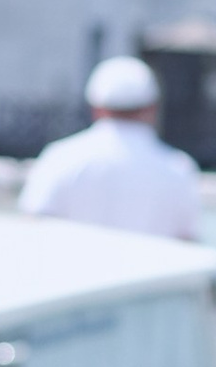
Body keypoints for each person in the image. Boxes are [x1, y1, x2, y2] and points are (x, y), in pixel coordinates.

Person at [17, 55, 202, 241]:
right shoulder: (179, 168)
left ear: (95, 107)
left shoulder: (59, 158)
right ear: (152, 108)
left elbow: (32, 230)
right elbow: (188, 242)